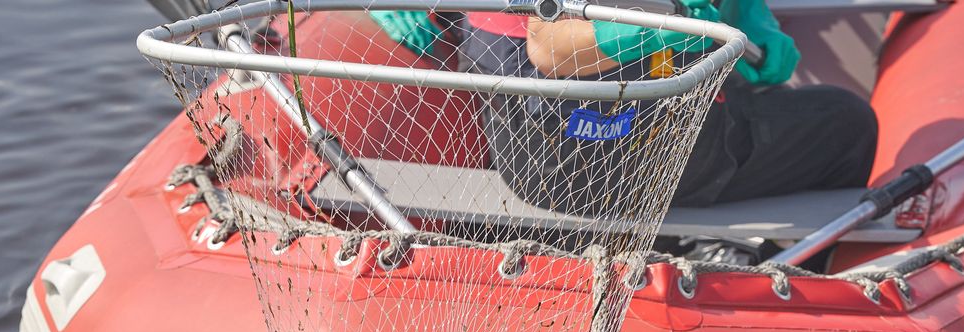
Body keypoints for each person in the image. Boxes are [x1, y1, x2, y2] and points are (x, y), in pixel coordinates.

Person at [371, 2, 878, 212]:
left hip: (525, 139)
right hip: (597, 160)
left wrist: (747, 13)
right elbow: (549, 46)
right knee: (846, 123)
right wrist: (664, 27)